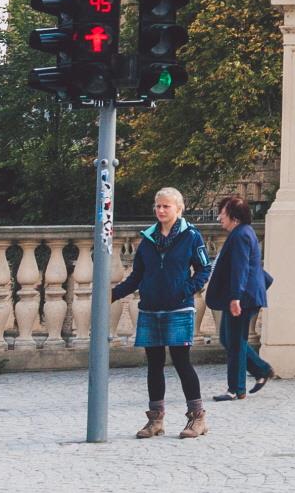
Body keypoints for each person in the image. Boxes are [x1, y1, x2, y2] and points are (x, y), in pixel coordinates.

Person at [110, 187, 212, 439]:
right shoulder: (148, 239)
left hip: (179, 307)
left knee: (181, 362)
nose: (161, 210)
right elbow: (137, 276)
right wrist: (112, 294)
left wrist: (185, 290)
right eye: (158, 206)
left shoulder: (191, 236)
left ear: (179, 209)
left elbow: (203, 269)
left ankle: (197, 417)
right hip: (150, 309)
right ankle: (155, 420)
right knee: (154, 365)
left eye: (166, 206)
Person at [206, 195, 274, 400]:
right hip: (243, 295)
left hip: (242, 297)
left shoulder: (241, 235)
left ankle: (235, 389)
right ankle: (261, 370)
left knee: (234, 341)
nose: (219, 217)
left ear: (234, 216)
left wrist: (235, 297)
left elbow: (240, 268)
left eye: (222, 213)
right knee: (231, 339)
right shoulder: (242, 233)